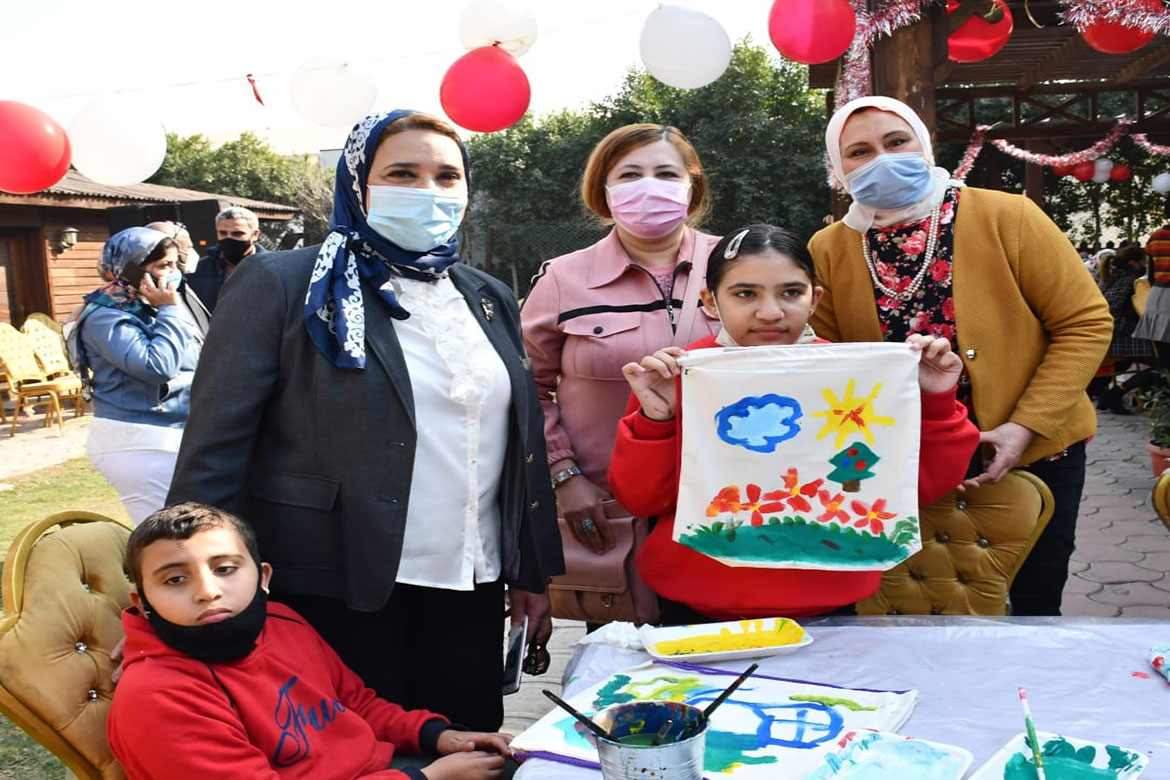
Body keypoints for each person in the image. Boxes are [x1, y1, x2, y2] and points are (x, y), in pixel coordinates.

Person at [167, 110, 563, 732]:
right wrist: (189, 578)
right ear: (358, 183)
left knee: (468, 744)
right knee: (358, 750)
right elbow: (216, 446)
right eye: (402, 173)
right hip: (333, 582)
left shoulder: (486, 294)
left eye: (446, 176)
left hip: (469, 580)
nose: (428, 192)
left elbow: (518, 442)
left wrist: (531, 573)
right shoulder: (283, 281)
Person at [808, 96, 1113, 616]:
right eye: (859, 151)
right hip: (906, 465)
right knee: (913, 607)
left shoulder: (1007, 216)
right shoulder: (829, 248)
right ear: (840, 170)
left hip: (1037, 452)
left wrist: (1025, 426)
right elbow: (829, 361)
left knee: (1034, 605)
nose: (881, 158)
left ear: (924, 146)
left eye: (896, 142)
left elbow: (1084, 323)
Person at [608, 225, 979, 622]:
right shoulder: (675, 375)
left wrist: (938, 399)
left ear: (815, 298)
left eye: (790, 292)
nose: (770, 312)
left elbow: (920, 486)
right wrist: (655, 419)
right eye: (745, 294)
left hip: (830, 602)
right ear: (710, 302)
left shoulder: (856, 377)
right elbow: (641, 499)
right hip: (693, 607)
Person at [108, 502, 513, 780]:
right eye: (175, 579)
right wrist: (424, 777)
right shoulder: (158, 697)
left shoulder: (282, 621)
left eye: (226, 568)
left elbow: (356, 703)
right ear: (142, 603)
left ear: (263, 577)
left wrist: (439, 737)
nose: (207, 591)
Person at [521, 123, 721, 557]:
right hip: (611, 507)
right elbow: (523, 388)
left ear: (692, 186)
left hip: (728, 501)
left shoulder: (736, 265)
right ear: (605, 190)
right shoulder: (562, 278)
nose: (649, 186)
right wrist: (563, 475)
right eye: (629, 175)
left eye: (667, 174)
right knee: (627, 627)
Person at [65, 227, 203, 525]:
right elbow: (157, 367)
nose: (173, 273)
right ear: (130, 270)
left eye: (174, 264)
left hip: (173, 434)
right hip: (137, 441)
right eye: (162, 266)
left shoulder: (149, 308)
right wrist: (170, 310)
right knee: (170, 535)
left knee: (192, 531)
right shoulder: (106, 315)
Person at [1092, 245, 1155, 415]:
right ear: (1134, 262)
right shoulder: (1133, 281)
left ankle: (1103, 393)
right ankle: (1116, 393)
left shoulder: (1110, 277)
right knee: (1162, 364)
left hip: (1111, 334)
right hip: (1123, 335)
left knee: (1126, 362)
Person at [184, 206, 268, 312]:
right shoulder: (200, 269)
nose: (229, 238)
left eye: (237, 233)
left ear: (255, 235)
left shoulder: (272, 269)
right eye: (223, 233)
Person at [1133, 197, 1170, 376]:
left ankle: (1119, 391)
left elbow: (1152, 274)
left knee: (1163, 360)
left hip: (1158, 297)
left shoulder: (1155, 236)